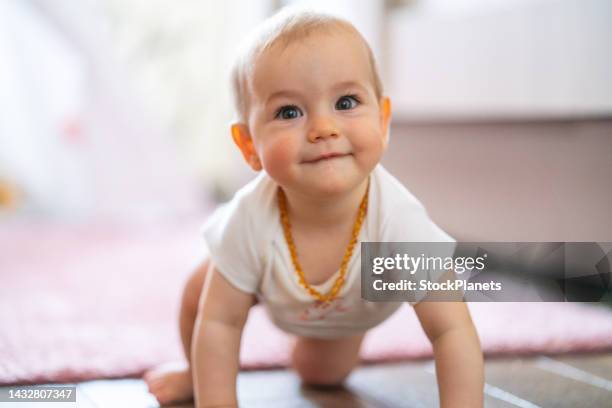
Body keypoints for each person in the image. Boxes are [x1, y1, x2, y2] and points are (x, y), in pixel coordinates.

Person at [144, 7, 484, 407]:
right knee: (199, 295)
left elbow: (452, 331)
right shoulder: (249, 218)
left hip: (356, 301)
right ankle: (193, 374)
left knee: (320, 376)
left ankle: (330, 342)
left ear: (383, 121)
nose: (324, 128)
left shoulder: (399, 221)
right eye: (289, 112)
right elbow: (221, 323)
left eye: (346, 102)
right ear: (249, 146)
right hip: (263, 280)